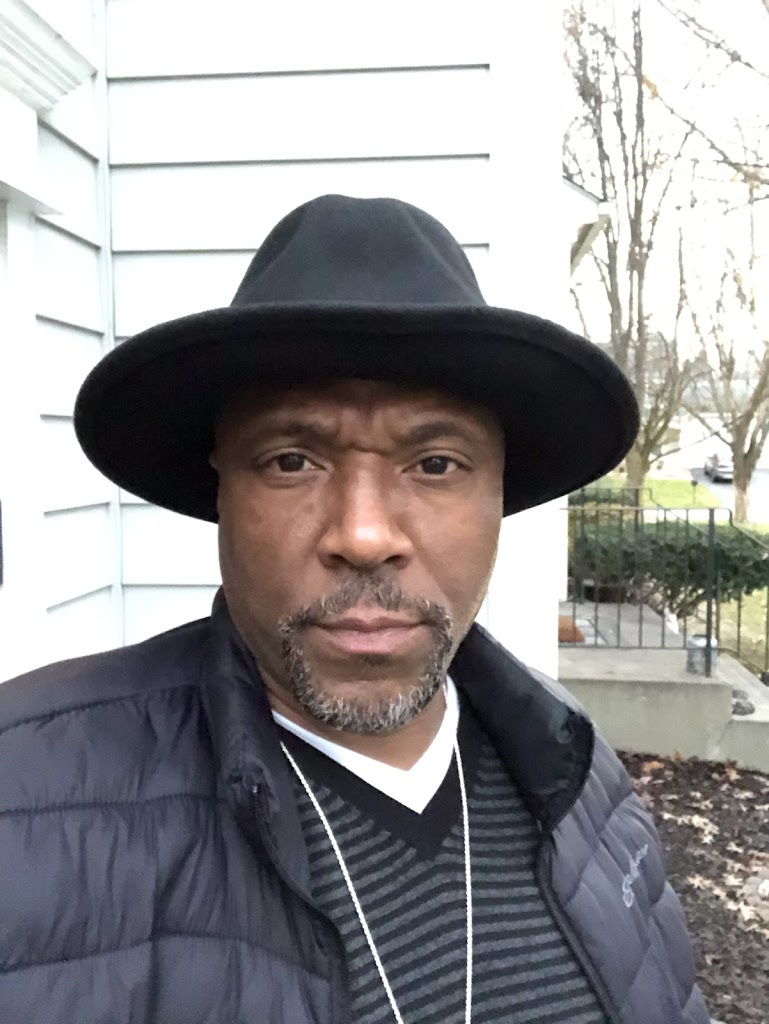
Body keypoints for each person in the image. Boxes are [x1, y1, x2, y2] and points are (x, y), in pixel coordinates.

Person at [0, 195, 709, 1024]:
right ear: (221, 492)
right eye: (291, 460)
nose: (364, 535)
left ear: (499, 497)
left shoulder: (578, 773)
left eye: (435, 463)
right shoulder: (23, 798)